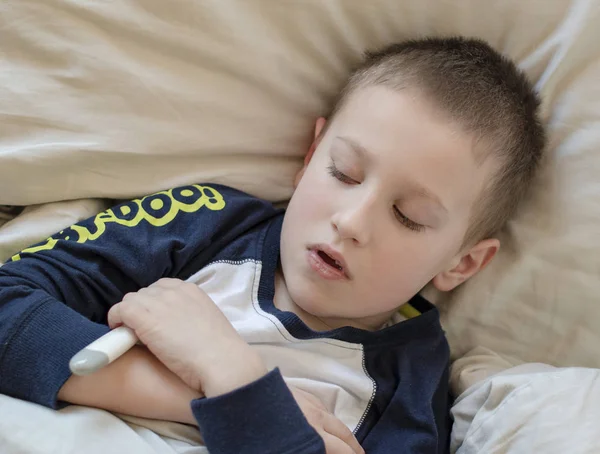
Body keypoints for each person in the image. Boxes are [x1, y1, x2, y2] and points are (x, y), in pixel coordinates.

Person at [0, 37, 545, 454]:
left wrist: (235, 379)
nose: (351, 221)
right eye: (344, 173)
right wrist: (220, 384)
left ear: (462, 262)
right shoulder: (201, 225)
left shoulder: (412, 387)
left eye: (408, 216)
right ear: (310, 158)